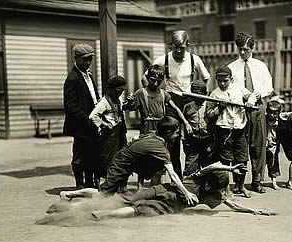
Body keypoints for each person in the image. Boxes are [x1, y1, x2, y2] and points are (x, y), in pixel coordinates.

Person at [37, 162, 274, 225]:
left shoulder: (202, 178)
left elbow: (212, 167)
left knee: (124, 198)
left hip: (160, 189)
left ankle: (74, 201)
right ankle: (101, 214)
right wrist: (254, 210)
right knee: (138, 211)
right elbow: (233, 205)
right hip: (169, 204)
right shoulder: (215, 192)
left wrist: (228, 168)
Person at [58, 116, 198, 206]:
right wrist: (186, 193)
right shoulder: (160, 148)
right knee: (104, 195)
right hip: (121, 164)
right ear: (168, 133)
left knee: (112, 195)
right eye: (176, 132)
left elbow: (136, 139)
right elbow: (173, 174)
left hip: (125, 162)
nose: (178, 135)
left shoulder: (153, 135)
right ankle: (68, 196)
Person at [148, 30, 211, 179]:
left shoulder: (194, 59)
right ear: (171, 45)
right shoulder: (163, 59)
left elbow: (206, 78)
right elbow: (147, 77)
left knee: (192, 141)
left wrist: (199, 95)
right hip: (171, 101)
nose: (178, 51)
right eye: (175, 47)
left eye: (181, 47)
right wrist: (156, 95)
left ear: (187, 45)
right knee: (173, 142)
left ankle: (193, 176)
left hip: (190, 101)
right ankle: (176, 179)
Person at [228, 32, 274, 194]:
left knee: (258, 144)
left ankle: (257, 180)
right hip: (239, 107)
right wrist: (245, 94)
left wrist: (257, 94)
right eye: (240, 49)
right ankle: (238, 181)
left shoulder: (260, 66)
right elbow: (230, 86)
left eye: (246, 49)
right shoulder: (232, 67)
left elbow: (269, 86)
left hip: (258, 107)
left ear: (252, 48)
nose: (242, 53)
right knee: (239, 145)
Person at [206, 66, 256, 198]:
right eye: (220, 81)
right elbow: (209, 114)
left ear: (231, 79)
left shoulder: (238, 88)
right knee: (225, 160)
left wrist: (250, 102)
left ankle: (240, 186)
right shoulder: (214, 94)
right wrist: (219, 109)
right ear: (216, 80)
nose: (222, 83)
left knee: (242, 159)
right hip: (223, 130)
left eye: (225, 81)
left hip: (239, 128)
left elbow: (251, 96)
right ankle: (226, 189)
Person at [63, 43, 100, 189]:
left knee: (91, 154)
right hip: (80, 125)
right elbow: (70, 105)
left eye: (90, 59)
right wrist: (87, 118)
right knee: (79, 156)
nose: (88, 62)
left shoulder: (89, 75)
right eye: (85, 59)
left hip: (90, 123)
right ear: (76, 59)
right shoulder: (72, 78)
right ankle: (79, 184)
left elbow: (93, 97)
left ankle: (89, 182)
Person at [125, 64, 192, 137]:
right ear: (147, 78)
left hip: (162, 128)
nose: (156, 83)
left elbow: (176, 109)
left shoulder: (163, 94)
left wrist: (186, 123)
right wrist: (129, 102)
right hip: (147, 129)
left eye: (159, 81)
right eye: (153, 80)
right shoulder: (141, 93)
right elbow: (129, 108)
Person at [89, 75, 128, 181]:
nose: (119, 94)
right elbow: (93, 116)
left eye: (121, 92)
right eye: (117, 91)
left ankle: (117, 182)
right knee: (107, 159)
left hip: (119, 132)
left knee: (120, 156)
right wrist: (104, 124)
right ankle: (102, 182)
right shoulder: (104, 102)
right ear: (110, 89)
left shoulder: (117, 100)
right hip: (109, 135)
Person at [182, 80, 215, 177]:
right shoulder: (188, 106)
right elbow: (183, 123)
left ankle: (207, 188)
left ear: (205, 94)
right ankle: (191, 187)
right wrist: (183, 138)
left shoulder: (210, 105)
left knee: (207, 166)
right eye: (195, 96)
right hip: (193, 140)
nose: (198, 98)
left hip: (207, 139)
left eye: (200, 96)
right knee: (190, 166)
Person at [265, 99, 283, 190]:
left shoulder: (279, 122)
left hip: (274, 146)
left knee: (273, 163)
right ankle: (257, 181)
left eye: (275, 113)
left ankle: (274, 182)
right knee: (260, 164)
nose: (272, 115)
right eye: (270, 112)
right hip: (263, 145)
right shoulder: (263, 120)